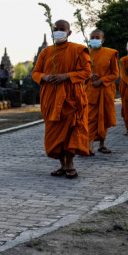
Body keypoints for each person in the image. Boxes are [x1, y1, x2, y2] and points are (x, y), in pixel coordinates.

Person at [31, 20, 91, 179]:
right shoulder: (46, 52)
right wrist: (45, 77)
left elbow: (86, 72)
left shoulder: (78, 50)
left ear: (69, 32)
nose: (58, 32)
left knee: (71, 131)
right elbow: (36, 73)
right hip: (51, 97)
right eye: (55, 29)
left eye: (62, 29)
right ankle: (62, 165)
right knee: (55, 133)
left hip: (71, 98)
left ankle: (70, 165)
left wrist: (66, 76)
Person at [85, 30, 119, 155]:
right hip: (91, 91)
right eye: (92, 37)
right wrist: (89, 76)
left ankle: (102, 144)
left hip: (105, 90)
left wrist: (101, 81)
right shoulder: (86, 55)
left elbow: (115, 74)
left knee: (103, 118)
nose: (94, 39)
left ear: (102, 40)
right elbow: (81, 73)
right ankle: (89, 146)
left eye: (97, 37)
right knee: (90, 119)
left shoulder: (110, 53)